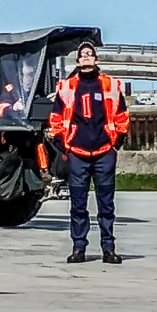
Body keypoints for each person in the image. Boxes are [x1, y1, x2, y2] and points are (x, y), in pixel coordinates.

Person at [47, 41, 130, 264]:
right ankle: (79, 248)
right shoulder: (67, 88)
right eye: (82, 55)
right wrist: (63, 146)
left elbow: (122, 117)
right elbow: (55, 119)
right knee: (78, 205)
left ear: (96, 59)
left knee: (106, 205)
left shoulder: (110, 86)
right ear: (77, 61)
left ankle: (108, 249)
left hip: (104, 152)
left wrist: (116, 143)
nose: (86, 57)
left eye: (89, 54)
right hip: (77, 153)